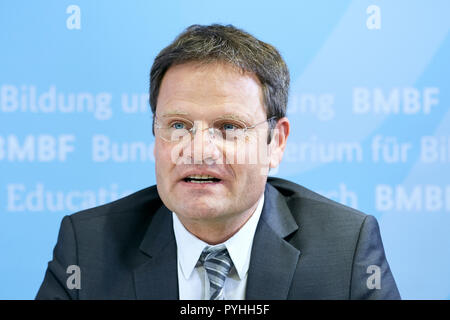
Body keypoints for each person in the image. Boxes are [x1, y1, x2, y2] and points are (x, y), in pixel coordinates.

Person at [36, 24, 400, 300]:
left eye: (228, 127)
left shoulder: (345, 249)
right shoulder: (88, 247)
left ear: (276, 142)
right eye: (178, 125)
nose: (199, 150)